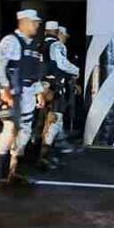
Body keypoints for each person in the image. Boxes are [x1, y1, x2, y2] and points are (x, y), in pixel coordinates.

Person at [0, 9, 47, 186]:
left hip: (27, 95)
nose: (36, 25)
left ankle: (14, 170)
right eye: (34, 22)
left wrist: (39, 92)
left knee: (25, 131)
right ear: (24, 22)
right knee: (10, 130)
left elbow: (32, 74)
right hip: (14, 94)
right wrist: (5, 90)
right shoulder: (11, 41)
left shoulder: (33, 45)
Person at [38, 21, 80, 170]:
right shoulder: (57, 46)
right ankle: (44, 156)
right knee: (55, 120)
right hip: (54, 88)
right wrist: (76, 70)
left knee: (44, 122)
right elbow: (62, 64)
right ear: (57, 32)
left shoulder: (39, 45)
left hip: (40, 88)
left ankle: (48, 151)